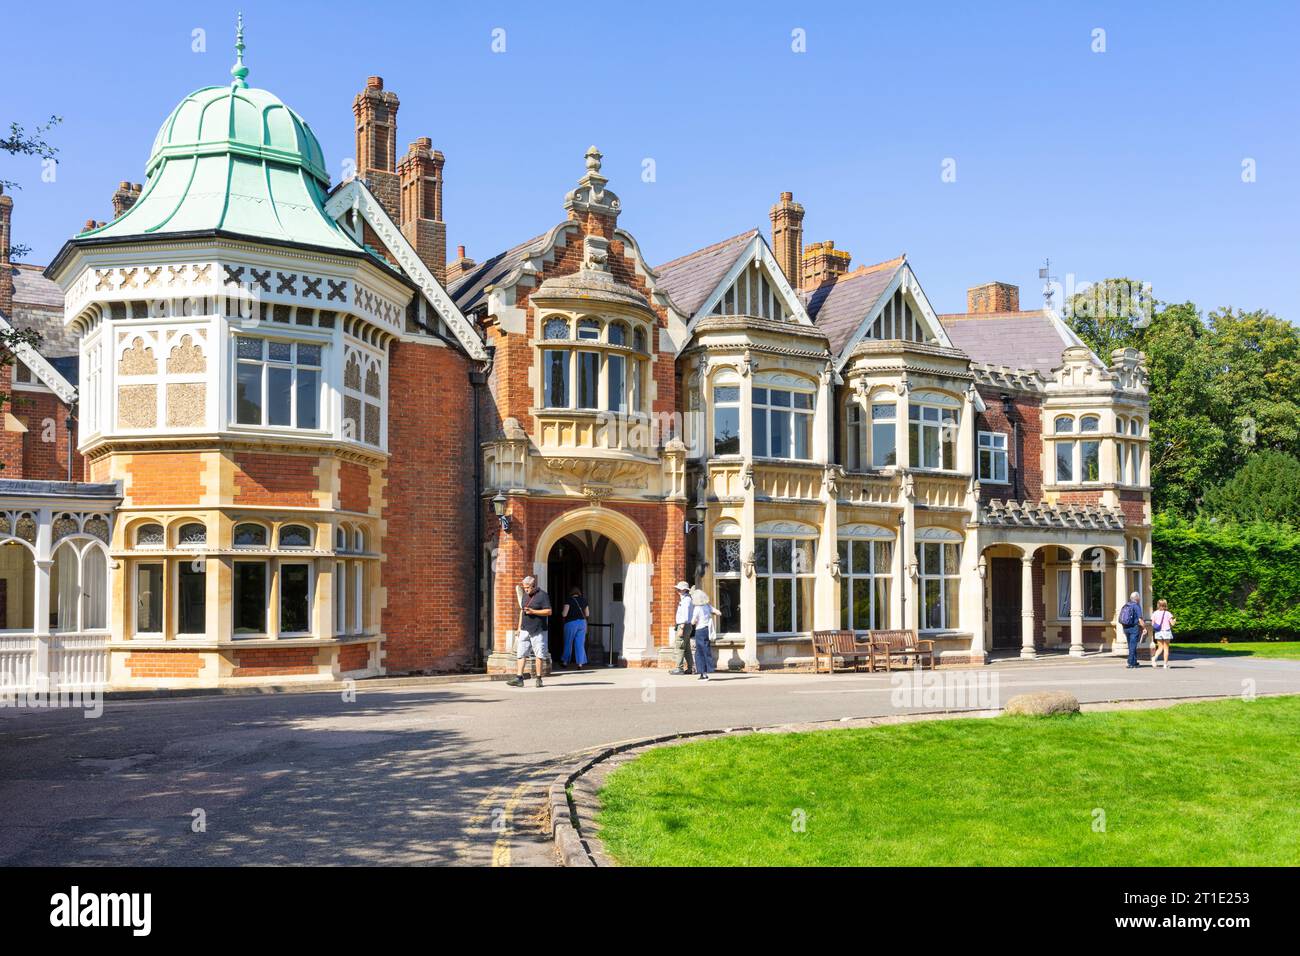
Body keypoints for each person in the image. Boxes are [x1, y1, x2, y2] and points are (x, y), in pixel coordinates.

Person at [507, 575, 551, 688]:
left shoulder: (543, 595)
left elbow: (548, 611)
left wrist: (533, 611)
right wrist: (519, 628)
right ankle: (519, 678)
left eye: (527, 587)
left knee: (539, 654)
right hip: (524, 629)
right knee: (521, 654)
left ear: (533, 586)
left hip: (538, 629)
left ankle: (539, 679)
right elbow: (522, 612)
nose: (526, 590)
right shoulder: (525, 596)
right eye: (524, 587)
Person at [689, 587, 717, 681]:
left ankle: (703, 673)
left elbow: (693, 621)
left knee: (699, 652)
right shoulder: (707, 606)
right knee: (706, 650)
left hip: (700, 630)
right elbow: (717, 612)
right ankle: (707, 670)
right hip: (706, 630)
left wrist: (693, 621)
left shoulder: (697, 608)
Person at [560, 584, 590, 669]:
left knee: (568, 642)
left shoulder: (569, 600)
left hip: (571, 623)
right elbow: (587, 614)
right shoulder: (584, 600)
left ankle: (565, 662)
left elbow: (564, 614)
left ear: (571, 593)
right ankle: (580, 664)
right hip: (582, 623)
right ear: (579, 593)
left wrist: (561, 613)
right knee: (580, 644)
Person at [670, 581, 694, 675]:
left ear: (684, 590)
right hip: (686, 626)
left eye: (679, 589)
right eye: (677, 589)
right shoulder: (686, 599)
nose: (677, 591)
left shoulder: (686, 600)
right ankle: (690, 668)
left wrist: (681, 628)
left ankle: (679, 668)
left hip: (683, 625)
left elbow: (685, 615)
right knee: (686, 648)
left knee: (680, 647)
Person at [1118, 590, 1146, 669]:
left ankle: (1134, 662)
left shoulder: (1126, 605)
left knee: (1131, 645)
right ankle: (1130, 663)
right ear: (1137, 598)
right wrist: (1144, 628)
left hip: (1125, 627)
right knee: (1133, 646)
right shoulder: (1136, 606)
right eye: (1139, 597)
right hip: (1134, 628)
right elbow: (1140, 619)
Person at [1150, 598, 1176, 670]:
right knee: (1166, 648)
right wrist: (1174, 621)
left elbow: (1152, 623)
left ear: (1158, 605)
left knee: (1160, 648)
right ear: (1165, 605)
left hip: (1158, 632)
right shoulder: (1168, 613)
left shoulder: (1155, 613)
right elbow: (1172, 624)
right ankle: (1165, 665)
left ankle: (1154, 658)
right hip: (1166, 632)